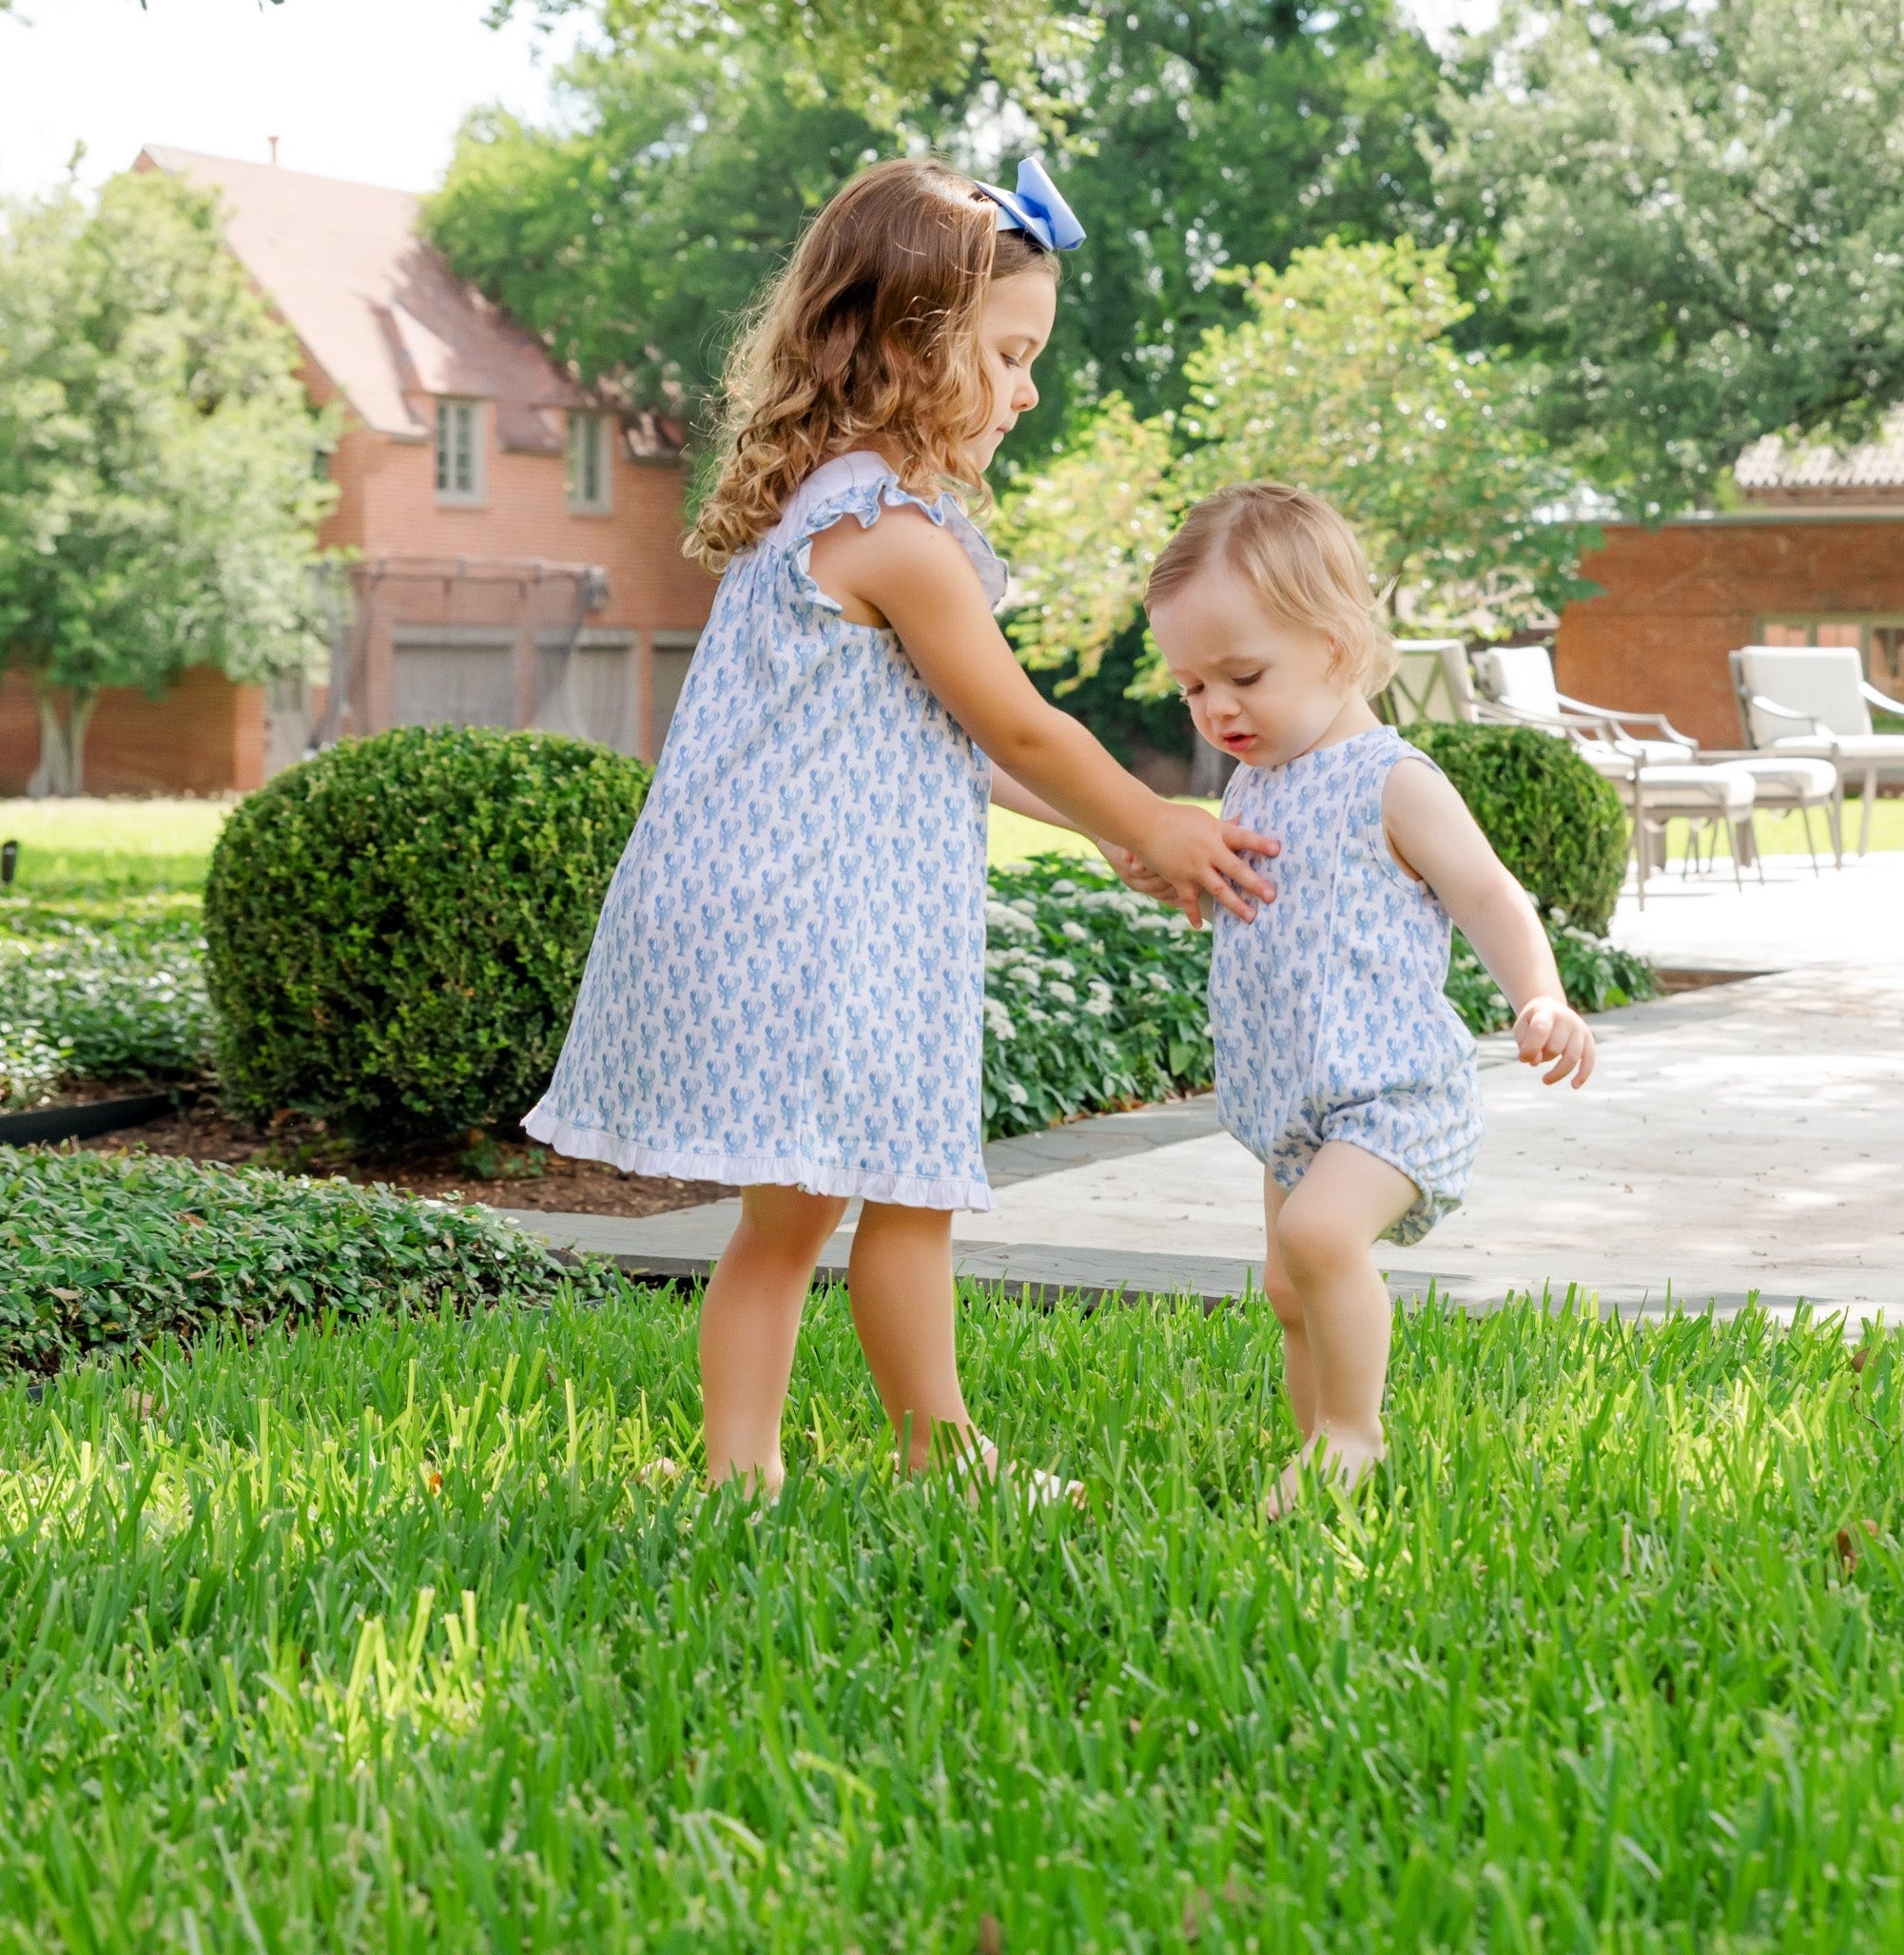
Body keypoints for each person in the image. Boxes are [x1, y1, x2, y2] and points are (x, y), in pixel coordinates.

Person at [524, 157, 1278, 1498]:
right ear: (909, 346)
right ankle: (918, 1455)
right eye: (1008, 353)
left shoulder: (827, 513)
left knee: (814, 1210)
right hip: (811, 927)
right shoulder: (891, 535)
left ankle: (762, 1470)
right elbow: (1022, 726)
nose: (1028, 388)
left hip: (810, 916)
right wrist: (1156, 824)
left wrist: (1103, 832)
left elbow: (952, 749)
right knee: (879, 1195)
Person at [1142, 482, 1598, 1512]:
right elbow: (1266, 903)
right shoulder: (1252, 784)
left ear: (1339, 646)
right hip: (1293, 1101)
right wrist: (1184, 876)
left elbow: (1487, 890)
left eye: (1242, 675)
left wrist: (1539, 994)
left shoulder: (1394, 780)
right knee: (1288, 1287)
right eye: (1191, 687)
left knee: (1317, 1242)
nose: (1215, 709)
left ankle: (1354, 1434)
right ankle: (1316, 1453)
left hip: (1390, 1093)